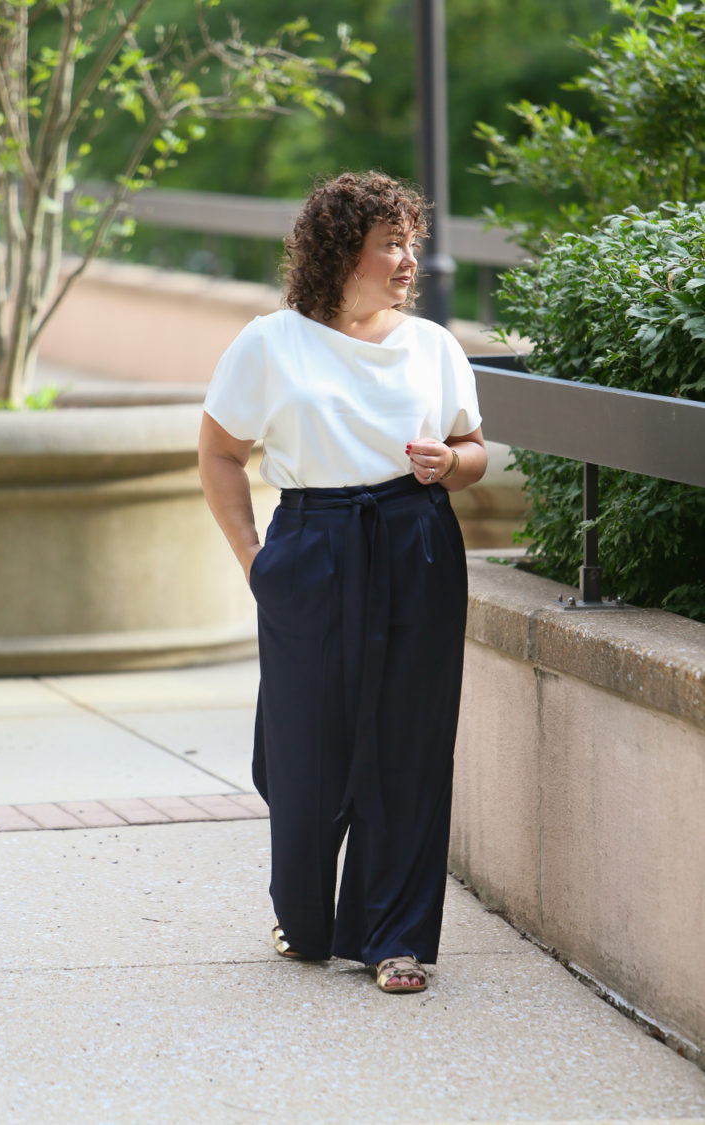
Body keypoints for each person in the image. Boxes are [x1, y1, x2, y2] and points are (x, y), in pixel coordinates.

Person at [198, 171, 487, 994]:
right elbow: (220, 453)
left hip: (417, 541)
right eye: (388, 244)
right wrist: (255, 559)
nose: (407, 261)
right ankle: (305, 913)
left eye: (409, 242)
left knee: (411, 742)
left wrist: (451, 465)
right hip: (313, 543)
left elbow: (472, 451)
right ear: (339, 252)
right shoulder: (270, 342)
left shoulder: (433, 345)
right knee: (304, 747)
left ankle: (397, 938)